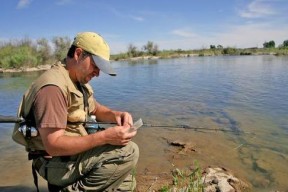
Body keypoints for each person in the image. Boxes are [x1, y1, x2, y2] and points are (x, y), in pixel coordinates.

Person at [12, 32, 139, 191]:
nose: (98, 73)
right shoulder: (52, 89)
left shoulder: (76, 78)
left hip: (73, 155)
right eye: (95, 66)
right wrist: (105, 137)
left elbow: (95, 108)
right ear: (78, 54)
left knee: (127, 181)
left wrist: (116, 115)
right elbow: (53, 145)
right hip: (54, 163)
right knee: (128, 152)